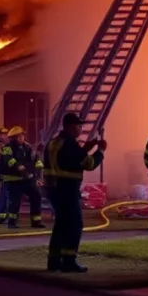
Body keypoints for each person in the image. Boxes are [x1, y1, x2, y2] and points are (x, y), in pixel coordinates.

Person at [43, 112, 106, 272]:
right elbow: (89, 163)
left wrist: (85, 148)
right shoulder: (70, 144)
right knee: (74, 225)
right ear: (71, 127)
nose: (81, 128)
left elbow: (69, 160)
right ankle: (69, 261)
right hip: (68, 190)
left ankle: (54, 261)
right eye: (79, 126)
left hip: (53, 189)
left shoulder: (54, 142)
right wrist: (100, 151)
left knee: (61, 225)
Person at [0, 126, 46, 229]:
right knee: (14, 201)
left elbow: (35, 158)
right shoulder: (7, 148)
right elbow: (8, 160)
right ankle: (11, 222)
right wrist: (18, 167)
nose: (21, 138)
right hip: (13, 180)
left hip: (27, 179)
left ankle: (36, 221)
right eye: (18, 136)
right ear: (13, 138)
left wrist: (38, 170)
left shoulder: (28, 147)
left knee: (36, 196)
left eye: (22, 135)